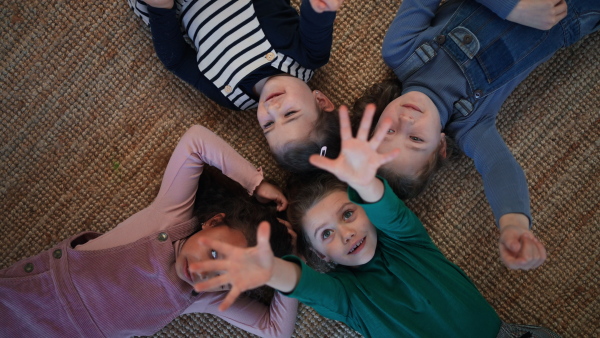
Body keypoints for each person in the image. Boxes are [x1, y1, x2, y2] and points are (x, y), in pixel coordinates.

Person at [185, 107, 560, 337]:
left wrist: (364, 181)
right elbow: (308, 287)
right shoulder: (349, 298)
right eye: (327, 234)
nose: (346, 233)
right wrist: (269, 272)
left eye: (348, 214)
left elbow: (390, 212)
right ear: (321, 256)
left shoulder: (410, 243)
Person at [343, 0, 600, 270]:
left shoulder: (401, 50)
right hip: (573, 11)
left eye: (389, 131)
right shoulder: (471, 126)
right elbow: (498, 168)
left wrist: (511, 8)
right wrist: (514, 225)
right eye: (416, 140)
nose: (406, 121)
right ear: (441, 146)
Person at [0, 125, 298, 337]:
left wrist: (292, 266)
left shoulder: (201, 297)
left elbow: (275, 330)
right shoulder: (170, 218)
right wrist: (254, 183)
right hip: (38, 297)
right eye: (215, 253)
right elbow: (196, 141)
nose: (206, 271)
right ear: (213, 222)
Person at [127, 0, 341, 171]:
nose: (273, 109)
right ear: (320, 101)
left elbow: (178, 60)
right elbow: (316, 19)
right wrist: (321, 7)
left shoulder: (233, 97)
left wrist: (160, 9)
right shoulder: (309, 56)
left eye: (268, 126)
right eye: (290, 113)